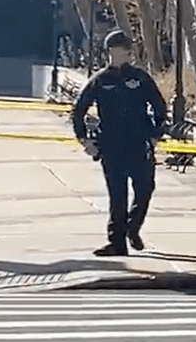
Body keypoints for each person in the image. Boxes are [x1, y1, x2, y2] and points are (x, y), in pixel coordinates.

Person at [71, 30, 167, 256]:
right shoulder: (101, 80)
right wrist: (85, 141)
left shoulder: (140, 78)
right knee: (118, 196)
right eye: (120, 50)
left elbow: (160, 107)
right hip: (112, 145)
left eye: (126, 49)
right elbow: (78, 110)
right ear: (111, 52)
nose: (124, 54)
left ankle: (132, 229)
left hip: (139, 144)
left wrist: (155, 134)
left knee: (145, 190)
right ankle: (117, 242)